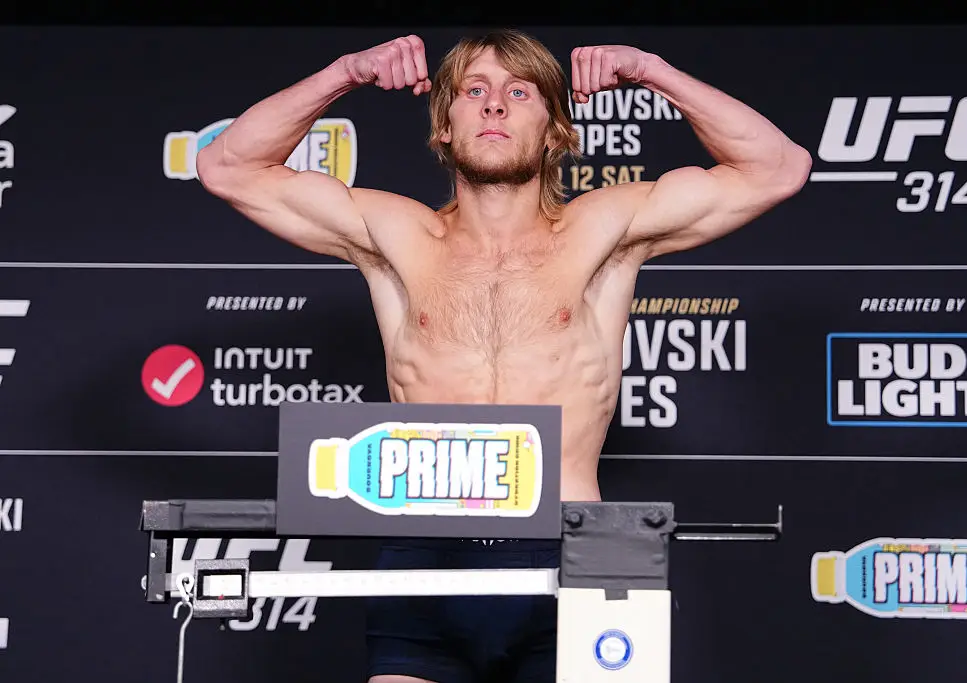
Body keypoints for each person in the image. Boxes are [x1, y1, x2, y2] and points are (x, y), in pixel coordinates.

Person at [196, 29, 810, 683]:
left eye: (519, 92)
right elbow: (226, 166)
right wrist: (345, 72)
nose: (495, 105)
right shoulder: (396, 235)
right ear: (444, 126)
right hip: (425, 556)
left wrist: (653, 71)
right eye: (474, 91)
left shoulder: (604, 230)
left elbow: (778, 168)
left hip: (579, 550)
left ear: (553, 131)